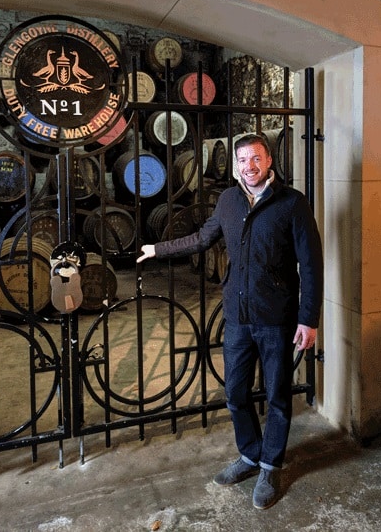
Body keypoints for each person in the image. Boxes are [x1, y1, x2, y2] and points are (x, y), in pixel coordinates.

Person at [137, 133, 323, 509]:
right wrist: (158, 248)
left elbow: (312, 264)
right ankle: (251, 455)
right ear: (235, 164)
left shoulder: (292, 203)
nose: (248, 167)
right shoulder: (227, 200)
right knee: (235, 393)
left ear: (269, 161)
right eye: (242, 160)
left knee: (278, 396)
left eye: (255, 159)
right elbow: (201, 239)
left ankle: (271, 465)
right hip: (237, 318)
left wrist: (309, 319)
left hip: (277, 318)